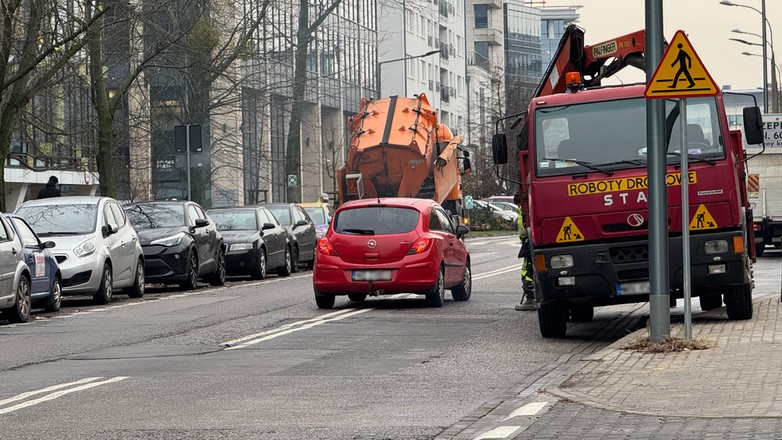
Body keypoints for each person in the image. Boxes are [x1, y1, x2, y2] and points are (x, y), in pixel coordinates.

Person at [514, 193, 536, 311]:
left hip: (529, 242)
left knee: (526, 270)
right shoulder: (530, 206)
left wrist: (523, 239)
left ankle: (530, 297)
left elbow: (523, 231)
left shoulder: (523, 211)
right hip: (533, 241)